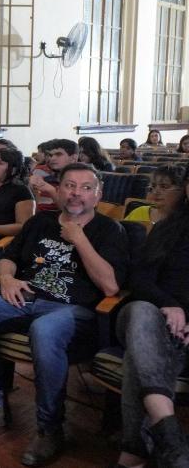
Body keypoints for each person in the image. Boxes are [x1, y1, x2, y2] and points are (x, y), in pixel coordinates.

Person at [0, 163, 129, 467]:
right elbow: (9, 258)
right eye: (69, 186)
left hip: (74, 310)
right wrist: (6, 278)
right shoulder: (39, 222)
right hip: (27, 297)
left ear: (98, 195)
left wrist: (79, 239)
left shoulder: (109, 230)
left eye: (86, 188)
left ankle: (50, 427)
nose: (76, 193)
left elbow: (110, 286)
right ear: (58, 191)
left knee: (45, 329)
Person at [113, 173, 189, 468]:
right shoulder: (169, 227)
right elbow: (139, 279)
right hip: (150, 316)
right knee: (142, 313)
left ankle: (136, 450)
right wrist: (170, 305)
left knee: (139, 356)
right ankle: (165, 426)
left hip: (172, 335)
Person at [29, 139, 78, 212]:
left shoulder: (82, 181)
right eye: (51, 155)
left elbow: (71, 211)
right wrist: (30, 189)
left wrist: (51, 190)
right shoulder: (46, 179)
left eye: (58, 154)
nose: (52, 158)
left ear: (73, 158)